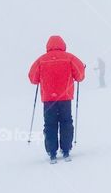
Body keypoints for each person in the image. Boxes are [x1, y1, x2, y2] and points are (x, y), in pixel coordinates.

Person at [28, 35, 85, 163]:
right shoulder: (70, 58)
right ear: (63, 45)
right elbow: (80, 75)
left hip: (49, 99)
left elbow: (33, 78)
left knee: (50, 124)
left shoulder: (41, 60)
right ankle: (66, 149)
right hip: (65, 97)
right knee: (66, 122)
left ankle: (51, 151)